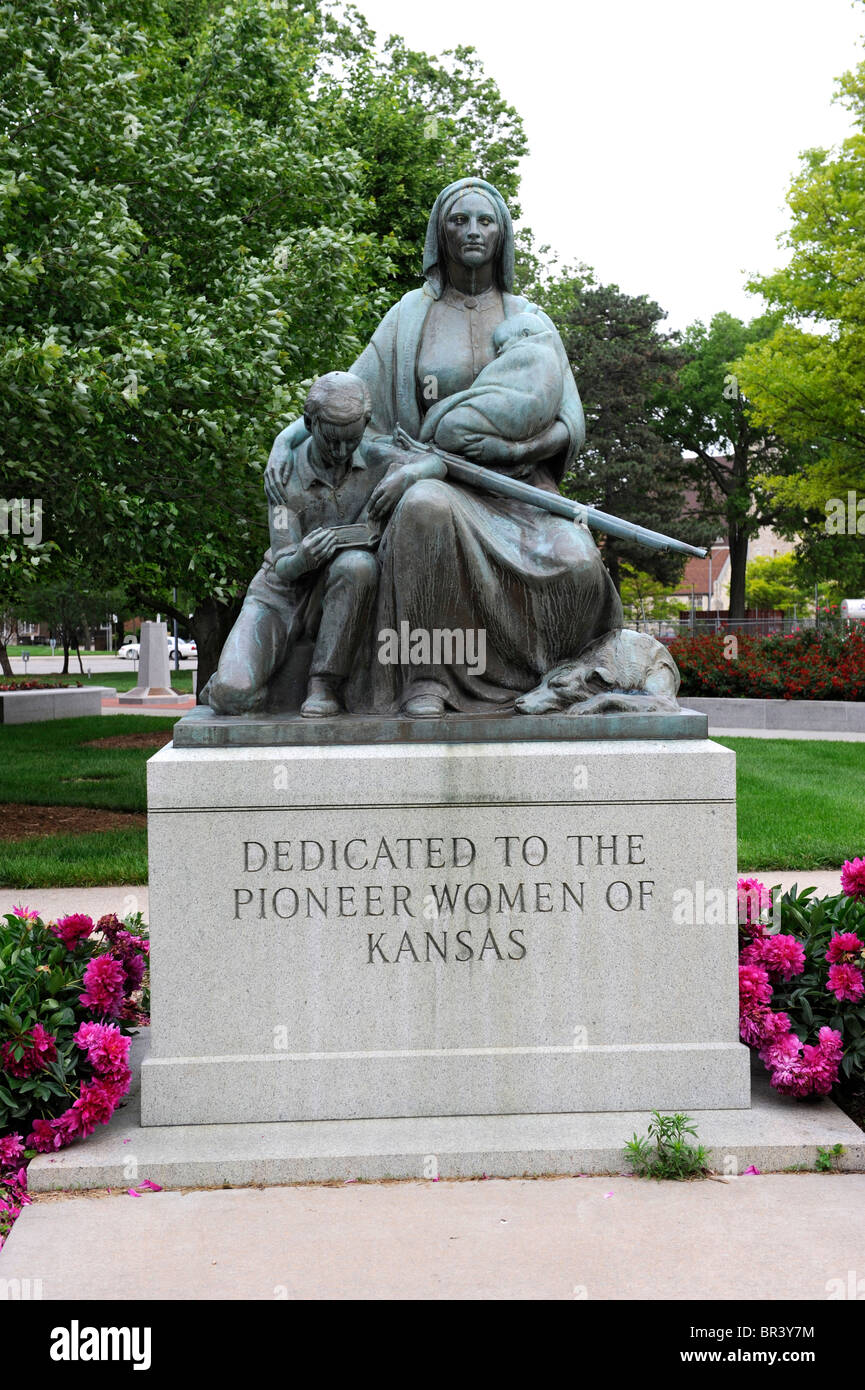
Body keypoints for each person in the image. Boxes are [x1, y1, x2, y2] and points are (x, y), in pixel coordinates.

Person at [268, 176, 622, 718]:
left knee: (579, 565)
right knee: (424, 509)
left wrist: (503, 451)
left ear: (502, 235)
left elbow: (567, 425)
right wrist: (290, 434)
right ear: (441, 234)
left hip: (518, 492)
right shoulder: (411, 315)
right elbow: (352, 394)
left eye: (486, 221)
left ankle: (547, 680)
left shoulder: (529, 319)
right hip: (429, 482)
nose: (473, 231)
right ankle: (426, 676)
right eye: (460, 220)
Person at [204, 371, 387, 718]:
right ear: (309, 423)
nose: (341, 450)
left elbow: (432, 460)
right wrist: (304, 555)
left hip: (336, 588)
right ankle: (229, 680)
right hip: (280, 594)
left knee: (357, 565)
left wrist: (411, 474)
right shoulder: (283, 475)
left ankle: (324, 685)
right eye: (331, 440)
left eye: (352, 440)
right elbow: (284, 563)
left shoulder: (376, 457)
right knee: (230, 695)